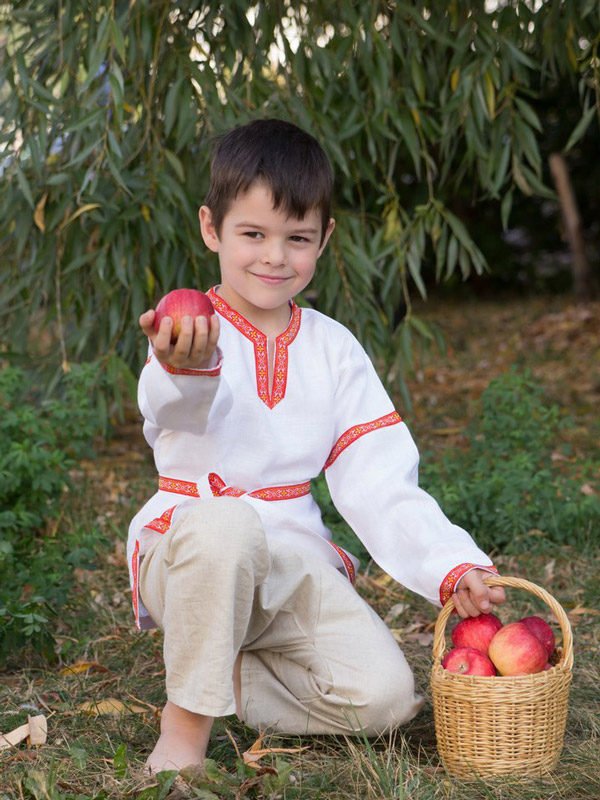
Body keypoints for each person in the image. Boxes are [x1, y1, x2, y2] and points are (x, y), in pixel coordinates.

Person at [128, 118, 506, 774]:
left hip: (289, 561)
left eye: (296, 239)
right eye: (252, 234)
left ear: (323, 239)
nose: (274, 257)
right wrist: (181, 367)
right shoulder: (190, 333)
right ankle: (185, 727)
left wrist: (448, 563)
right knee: (225, 528)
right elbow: (172, 413)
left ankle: (232, 675)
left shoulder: (334, 349)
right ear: (211, 228)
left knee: (384, 701)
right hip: (191, 549)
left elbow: (380, 477)